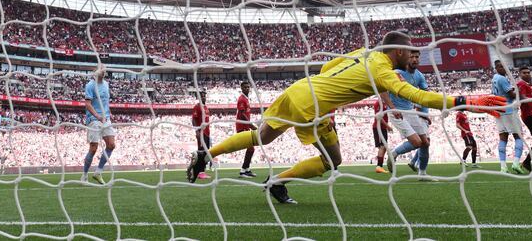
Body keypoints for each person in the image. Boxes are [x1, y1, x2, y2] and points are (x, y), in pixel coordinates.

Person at [186, 31, 505, 204]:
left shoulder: (363, 54)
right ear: (397, 52)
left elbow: (327, 68)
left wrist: (335, 90)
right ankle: (277, 183)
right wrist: (466, 99)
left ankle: (206, 154)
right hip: (313, 105)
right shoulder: (384, 69)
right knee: (332, 161)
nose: (413, 57)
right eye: (410, 53)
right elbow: (418, 97)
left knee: (261, 136)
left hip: (299, 88)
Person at [386, 50, 432, 180]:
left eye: (417, 57)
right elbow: (382, 89)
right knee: (417, 142)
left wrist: (424, 113)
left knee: (425, 143)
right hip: (397, 112)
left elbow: (425, 96)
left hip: (410, 111)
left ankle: (422, 174)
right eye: (411, 57)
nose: (414, 59)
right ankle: (393, 153)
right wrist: (393, 108)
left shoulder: (419, 76)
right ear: (406, 58)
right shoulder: (397, 73)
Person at [82, 66, 116, 185]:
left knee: (111, 145)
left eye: (105, 69)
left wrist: (108, 113)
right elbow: (87, 104)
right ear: (95, 72)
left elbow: (105, 101)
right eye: (101, 69)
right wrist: (97, 116)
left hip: (105, 119)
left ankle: (98, 172)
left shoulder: (106, 84)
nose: (104, 71)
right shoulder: (90, 85)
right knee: (93, 148)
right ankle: (84, 175)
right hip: (94, 119)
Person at [491, 60, 526, 174]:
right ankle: (516, 163)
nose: (503, 69)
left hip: (498, 110)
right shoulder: (502, 78)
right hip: (509, 110)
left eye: (504, 67)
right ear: (496, 68)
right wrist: (518, 91)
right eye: (500, 67)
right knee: (518, 137)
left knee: (503, 138)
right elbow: (511, 94)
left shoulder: (494, 79)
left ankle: (503, 167)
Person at [236, 81, 257, 177]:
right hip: (242, 126)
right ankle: (243, 171)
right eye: (245, 87)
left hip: (246, 126)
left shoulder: (246, 99)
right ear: (241, 88)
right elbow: (242, 114)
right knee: (251, 148)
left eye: (248, 87)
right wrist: (250, 124)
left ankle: (247, 169)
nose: (247, 89)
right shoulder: (241, 99)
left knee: (251, 149)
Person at [192, 90, 212, 180]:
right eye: (202, 96)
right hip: (201, 132)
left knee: (205, 152)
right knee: (201, 152)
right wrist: (197, 131)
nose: (203, 97)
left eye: (204, 96)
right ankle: (200, 172)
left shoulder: (206, 107)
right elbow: (194, 120)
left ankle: (194, 170)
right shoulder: (197, 107)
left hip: (207, 133)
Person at [372, 96, 389, 174]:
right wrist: (387, 126)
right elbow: (379, 117)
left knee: (384, 147)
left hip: (382, 128)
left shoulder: (384, 102)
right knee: (382, 146)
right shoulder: (378, 103)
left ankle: (380, 165)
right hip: (378, 127)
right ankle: (379, 166)